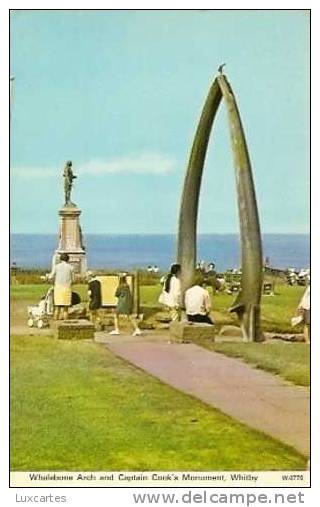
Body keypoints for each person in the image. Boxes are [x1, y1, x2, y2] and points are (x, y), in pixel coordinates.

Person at [47, 253, 74, 320]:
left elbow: (51, 277)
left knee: (57, 308)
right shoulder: (71, 267)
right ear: (68, 259)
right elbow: (73, 279)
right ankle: (65, 324)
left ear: (60, 259)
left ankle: (55, 323)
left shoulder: (56, 267)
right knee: (65, 309)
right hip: (67, 288)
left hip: (58, 288)